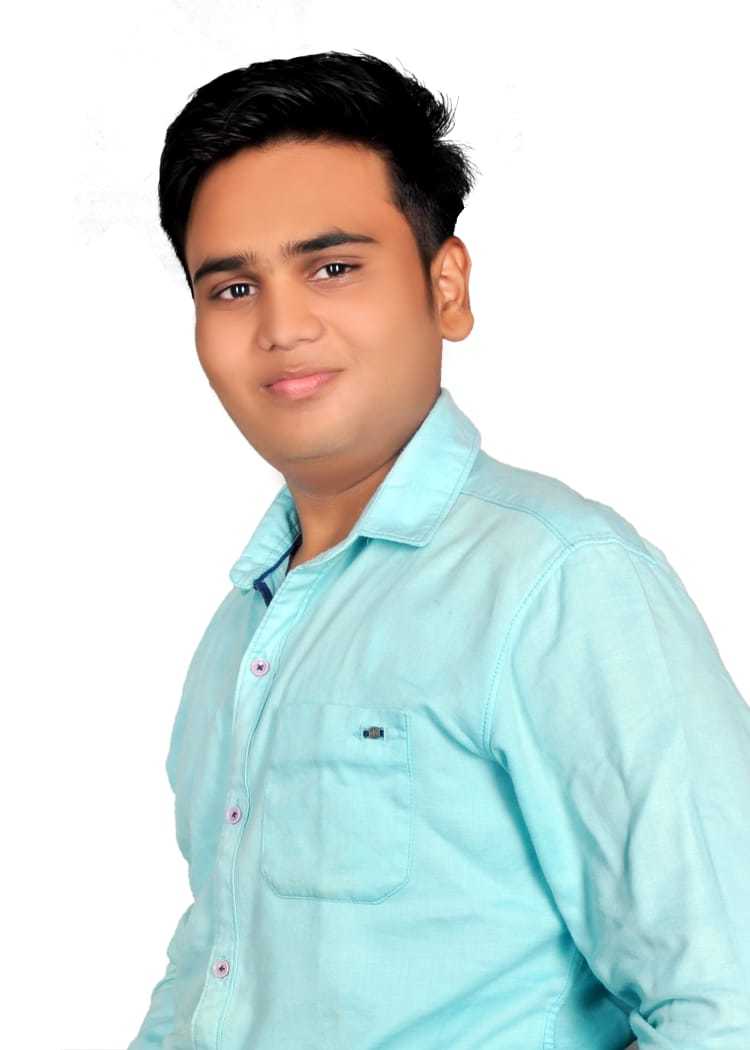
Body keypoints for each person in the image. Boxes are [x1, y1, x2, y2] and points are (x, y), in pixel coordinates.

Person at [127, 50, 750, 1050]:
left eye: (333, 267)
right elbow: (216, 962)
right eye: (233, 287)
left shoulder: (557, 583)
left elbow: (727, 996)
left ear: (445, 285)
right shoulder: (239, 633)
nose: (282, 326)